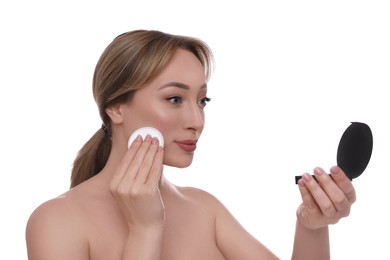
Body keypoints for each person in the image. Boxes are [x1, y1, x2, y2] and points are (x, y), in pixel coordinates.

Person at [25, 29, 356, 260]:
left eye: (202, 100)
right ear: (115, 107)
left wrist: (311, 226)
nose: (197, 121)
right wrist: (145, 230)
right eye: (174, 98)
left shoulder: (204, 208)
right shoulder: (56, 222)